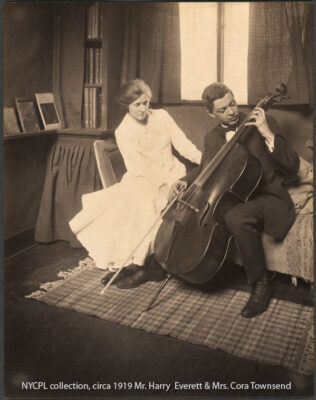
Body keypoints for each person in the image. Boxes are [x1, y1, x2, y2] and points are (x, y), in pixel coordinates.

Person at [170, 83, 300, 318]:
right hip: (238, 197)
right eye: (222, 109)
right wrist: (184, 181)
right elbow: (207, 168)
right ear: (211, 113)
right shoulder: (212, 137)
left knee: (235, 216)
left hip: (268, 197)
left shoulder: (264, 122)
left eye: (232, 104)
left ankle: (261, 283)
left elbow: (292, 165)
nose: (231, 111)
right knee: (209, 214)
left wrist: (267, 134)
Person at [69, 79, 202, 288]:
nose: (142, 109)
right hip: (142, 176)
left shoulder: (162, 116)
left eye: (145, 103)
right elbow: (139, 167)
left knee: (149, 203)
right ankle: (132, 263)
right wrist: (162, 187)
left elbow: (183, 144)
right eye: (136, 105)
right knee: (141, 201)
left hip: (172, 172)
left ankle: (145, 267)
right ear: (127, 106)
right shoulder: (123, 131)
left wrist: (206, 160)